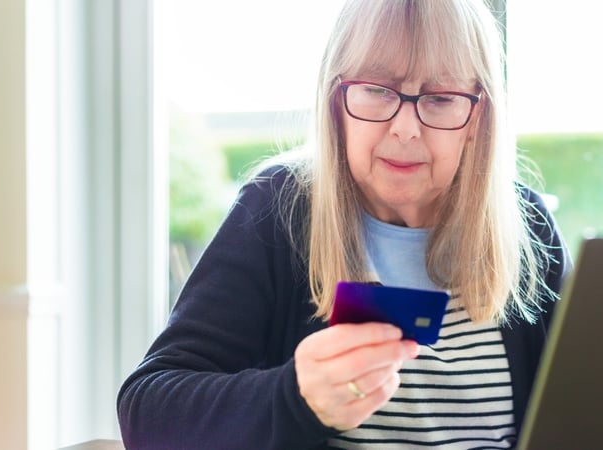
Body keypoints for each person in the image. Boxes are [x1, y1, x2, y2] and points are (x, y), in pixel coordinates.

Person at [117, 0, 571, 448]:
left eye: (440, 98)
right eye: (378, 90)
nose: (406, 128)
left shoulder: (528, 228)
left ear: (478, 116)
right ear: (336, 100)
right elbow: (147, 412)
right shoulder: (278, 210)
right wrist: (297, 397)